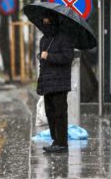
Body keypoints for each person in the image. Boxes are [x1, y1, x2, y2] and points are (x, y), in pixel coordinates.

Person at [37, 16, 74, 153]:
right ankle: (55, 140)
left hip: (60, 83)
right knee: (50, 113)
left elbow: (67, 57)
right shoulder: (44, 40)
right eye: (44, 22)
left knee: (60, 114)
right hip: (47, 83)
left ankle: (62, 143)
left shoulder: (64, 38)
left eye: (48, 22)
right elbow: (43, 63)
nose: (46, 25)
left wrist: (49, 56)